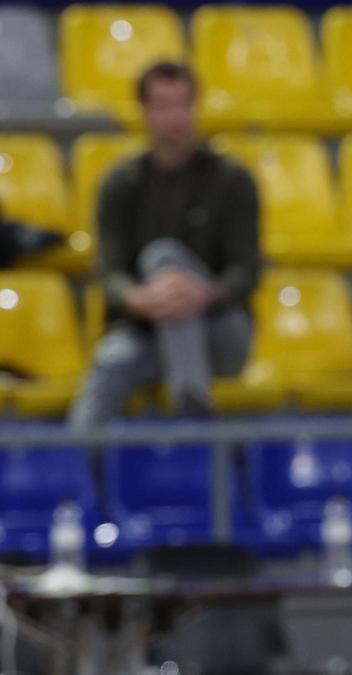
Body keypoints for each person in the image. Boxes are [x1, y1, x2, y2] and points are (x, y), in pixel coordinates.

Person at [68, 62, 260, 429]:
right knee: (111, 362)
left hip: (221, 330)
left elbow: (246, 272)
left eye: (183, 104)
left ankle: (188, 394)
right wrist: (140, 299)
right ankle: (76, 471)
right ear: (144, 111)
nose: (176, 116)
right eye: (164, 105)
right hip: (146, 329)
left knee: (164, 258)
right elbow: (110, 275)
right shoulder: (119, 185)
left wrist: (204, 293)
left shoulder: (232, 180)